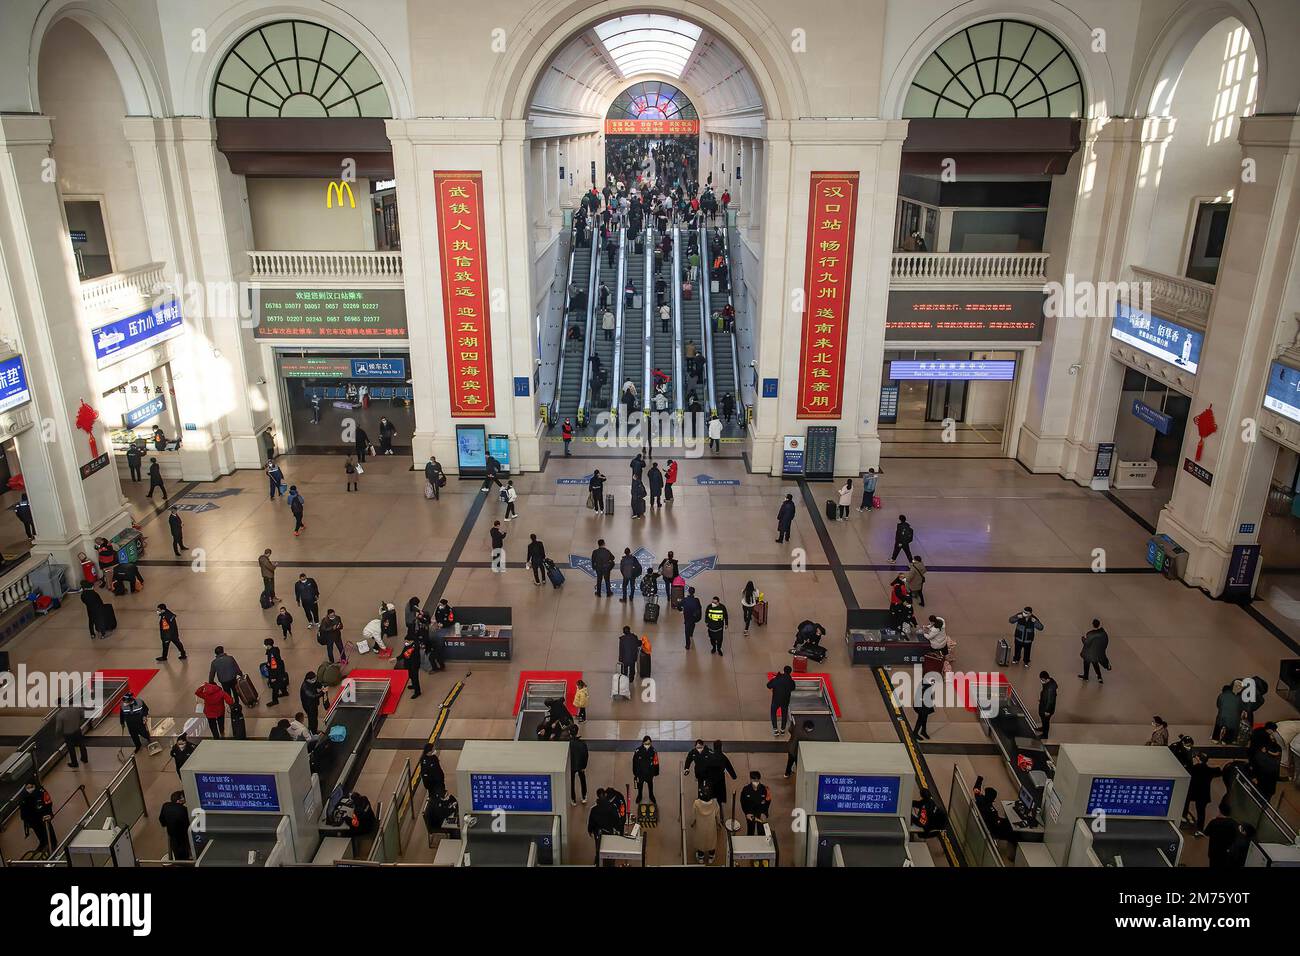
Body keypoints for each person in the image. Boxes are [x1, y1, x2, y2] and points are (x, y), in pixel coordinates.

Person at [1184, 752, 1221, 835]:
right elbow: (1218, 770)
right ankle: (1200, 829)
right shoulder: (1209, 770)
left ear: (1198, 758)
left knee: (1185, 803)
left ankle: (1184, 815)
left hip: (1193, 792)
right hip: (1203, 795)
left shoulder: (1194, 769)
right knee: (1201, 813)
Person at [1205, 802, 1250, 868]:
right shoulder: (1234, 824)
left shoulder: (1214, 822)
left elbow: (1206, 833)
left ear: (1220, 811)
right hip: (1226, 853)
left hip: (1214, 852)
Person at [19, 781, 55, 856]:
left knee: (47, 829)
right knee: (37, 830)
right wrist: (25, 819)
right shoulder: (23, 795)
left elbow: (48, 803)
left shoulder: (41, 792)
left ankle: (53, 843)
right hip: (32, 817)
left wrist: (49, 814)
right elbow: (22, 807)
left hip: (42, 814)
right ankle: (42, 843)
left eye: (31, 787)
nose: (29, 789)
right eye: (27, 788)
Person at [689, 784, 722, 864]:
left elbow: (693, 816)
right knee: (711, 841)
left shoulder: (696, 803)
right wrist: (718, 823)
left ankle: (700, 858)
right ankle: (711, 857)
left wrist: (692, 823)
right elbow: (717, 815)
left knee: (701, 842)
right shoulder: (714, 803)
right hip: (711, 827)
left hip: (700, 827)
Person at [704, 740, 737, 808]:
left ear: (714, 747)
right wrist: (734, 776)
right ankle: (720, 816)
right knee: (719, 801)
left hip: (710, 782)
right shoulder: (723, 757)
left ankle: (712, 816)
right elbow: (731, 770)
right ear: (721, 747)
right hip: (720, 782)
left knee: (710, 802)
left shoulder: (710, 757)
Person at [739, 771, 772, 836]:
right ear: (751, 779)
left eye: (757, 780)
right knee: (750, 831)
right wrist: (747, 813)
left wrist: (764, 813)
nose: (756, 782)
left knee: (761, 832)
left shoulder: (765, 789)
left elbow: (768, 802)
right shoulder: (745, 789)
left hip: (760, 813)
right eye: (754, 780)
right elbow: (743, 803)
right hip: (750, 814)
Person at [632, 735, 660, 804]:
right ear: (643, 743)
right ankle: (639, 796)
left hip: (649, 773)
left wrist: (656, 772)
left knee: (650, 785)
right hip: (640, 773)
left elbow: (656, 762)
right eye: (646, 744)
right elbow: (634, 762)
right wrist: (635, 773)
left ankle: (651, 795)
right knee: (640, 786)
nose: (647, 745)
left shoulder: (653, 751)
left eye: (649, 744)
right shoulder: (638, 751)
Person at [264, 637, 289, 705]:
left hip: (276, 672)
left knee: (275, 687)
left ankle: (275, 701)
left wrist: (273, 677)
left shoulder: (271, 655)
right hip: (280, 670)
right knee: (281, 682)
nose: (264, 646)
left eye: (265, 645)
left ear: (268, 645)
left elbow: (273, 667)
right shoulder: (276, 649)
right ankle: (284, 692)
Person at [1035, 670, 1059, 739]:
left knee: (1046, 721)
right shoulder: (1047, 684)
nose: (1041, 681)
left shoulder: (1050, 689)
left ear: (1046, 678)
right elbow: (1046, 696)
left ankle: (1045, 735)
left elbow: (1050, 701)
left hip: (1047, 709)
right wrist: (1042, 699)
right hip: (1044, 704)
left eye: (1042, 679)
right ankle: (1043, 728)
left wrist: (1047, 711)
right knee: (1043, 719)